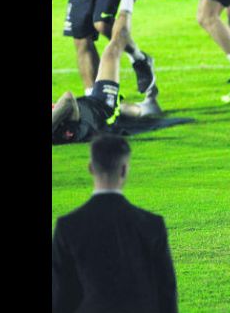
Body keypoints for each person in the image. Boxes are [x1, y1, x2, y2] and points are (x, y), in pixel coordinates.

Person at [52, 134, 178, 313]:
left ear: (90, 168)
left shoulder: (68, 226)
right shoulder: (151, 225)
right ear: (124, 170)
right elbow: (166, 293)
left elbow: (60, 296)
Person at [52, 0, 161, 145]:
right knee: (112, 50)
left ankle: (149, 106)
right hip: (103, 109)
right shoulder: (67, 132)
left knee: (124, 111)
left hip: (90, 102)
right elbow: (68, 100)